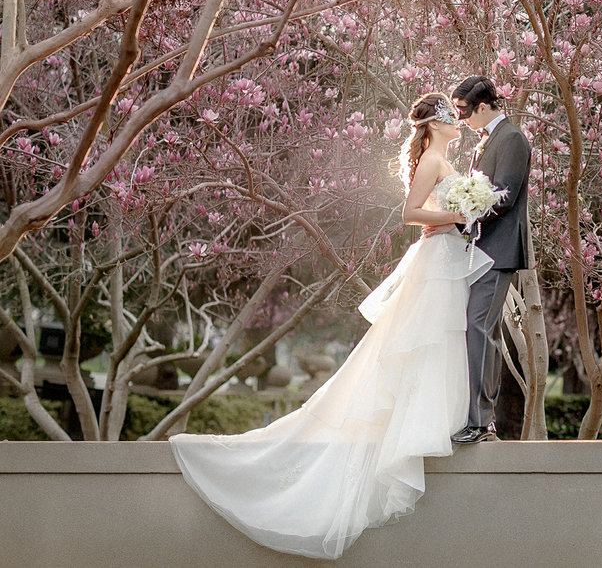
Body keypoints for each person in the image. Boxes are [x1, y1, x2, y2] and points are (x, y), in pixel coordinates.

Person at [169, 93, 492, 560]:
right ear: (434, 125)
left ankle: (434, 424)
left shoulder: (444, 158)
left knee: (441, 339)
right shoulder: (431, 161)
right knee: (423, 339)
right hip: (435, 257)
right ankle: (415, 429)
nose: (459, 123)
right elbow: (410, 213)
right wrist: (459, 214)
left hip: (448, 257)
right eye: (451, 118)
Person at [446, 75, 532, 444]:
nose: (461, 120)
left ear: (483, 107)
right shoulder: (485, 141)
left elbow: (505, 196)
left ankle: (479, 422)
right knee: (485, 330)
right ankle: (483, 420)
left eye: (464, 112)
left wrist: (462, 212)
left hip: (498, 252)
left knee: (477, 327)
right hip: (480, 250)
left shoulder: (512, 138)